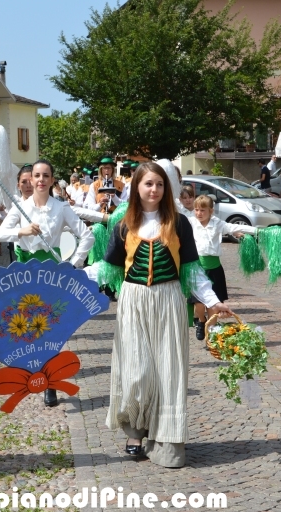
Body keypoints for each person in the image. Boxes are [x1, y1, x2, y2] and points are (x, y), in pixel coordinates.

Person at [94, 162, 230, 468]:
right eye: (148, 184)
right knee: (137, 370)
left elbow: (193, 274)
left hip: (169, 299)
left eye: (159, 184)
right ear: (136, 188)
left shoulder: (180, 223)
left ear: (165, 188)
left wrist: (213, 301)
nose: (153, 189)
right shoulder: (123, 222)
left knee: (168, 371)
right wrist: (72, 281)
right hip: (134, 300)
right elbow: (108, 270)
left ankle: (167, 439)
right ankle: (135, 432)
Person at [0, 159, 95, 407]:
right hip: (25, 274)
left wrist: (73, 264)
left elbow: (87, 236)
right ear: (30, 180)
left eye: (45, 176)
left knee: (49, 329)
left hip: (52, 275)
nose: (40, 180)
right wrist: (22, 232)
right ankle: (35, 374)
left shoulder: (61, 208)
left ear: (51, 180)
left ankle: (49, 382)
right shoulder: (20, 207)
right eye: (35, 176)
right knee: (29, 328)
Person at [189, 195, 256, 341]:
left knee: (214, 304)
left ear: (211, 211)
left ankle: (210, 334)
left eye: (203, 210)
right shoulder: (191, 223)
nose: (199, 213)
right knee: (199, 303)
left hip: (214, 268)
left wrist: (257, 231)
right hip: (198, 268)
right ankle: (201, 321)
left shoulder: (217, 223)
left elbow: (233, 227)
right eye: (196, 210)